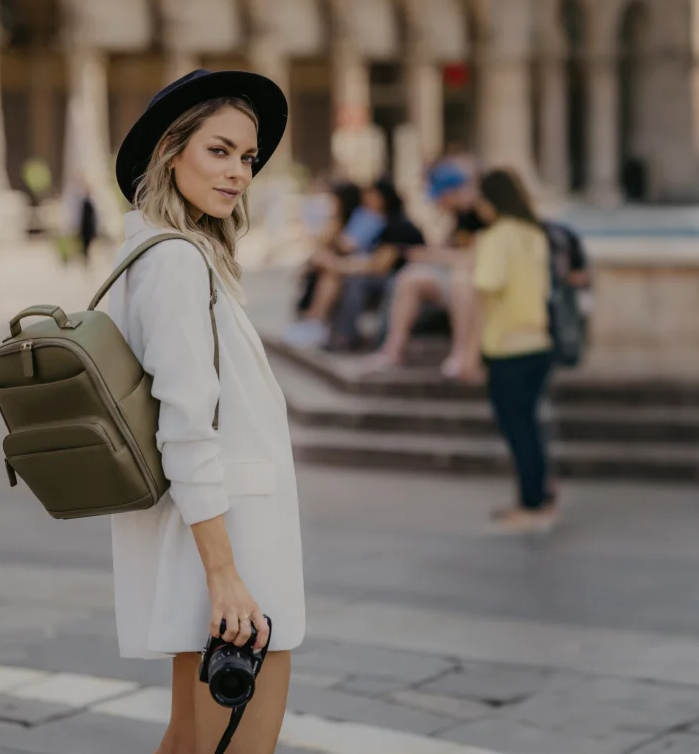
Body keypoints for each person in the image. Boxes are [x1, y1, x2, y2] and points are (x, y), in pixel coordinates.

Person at [108, 69, 302, 754]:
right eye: (218, 151)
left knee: (189, 742)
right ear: (170, 150)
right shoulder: (176, 263)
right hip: (229, 555)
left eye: (247, 157)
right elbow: (185, 428)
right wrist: (225, 575)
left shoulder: (152, 253)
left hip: (205, 546)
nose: (240, 172)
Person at [472, 168, 559, 534]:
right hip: (538, 343)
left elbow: (485, 288)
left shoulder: (497, 237)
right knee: (530, 427)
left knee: (517, 429)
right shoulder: (533, 233)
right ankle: (539, 496)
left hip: (506, 347)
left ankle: (531, 504)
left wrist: (468, 349)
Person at [368, 162, 487, 380]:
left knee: (460, 279)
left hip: (476, 285)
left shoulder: (480, 214)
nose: (436, 203)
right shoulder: (456, 217)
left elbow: (472, 258)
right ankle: (392, 350)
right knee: (410, 277)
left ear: (452, 192)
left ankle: (461, 353)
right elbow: (449, 250)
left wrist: (431, 255)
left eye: (439, 196)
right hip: (454, 280)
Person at [291, 178, 426, 351]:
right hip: (384, 273)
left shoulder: (397, 224)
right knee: (333, 275)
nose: (366, 200)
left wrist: (341, 266)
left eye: (371, 195)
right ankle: (320, 326)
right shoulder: (375, 220)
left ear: (383, 197)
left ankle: (343, 335)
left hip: (399, 277)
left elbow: (379, 265)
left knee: (354, 281)